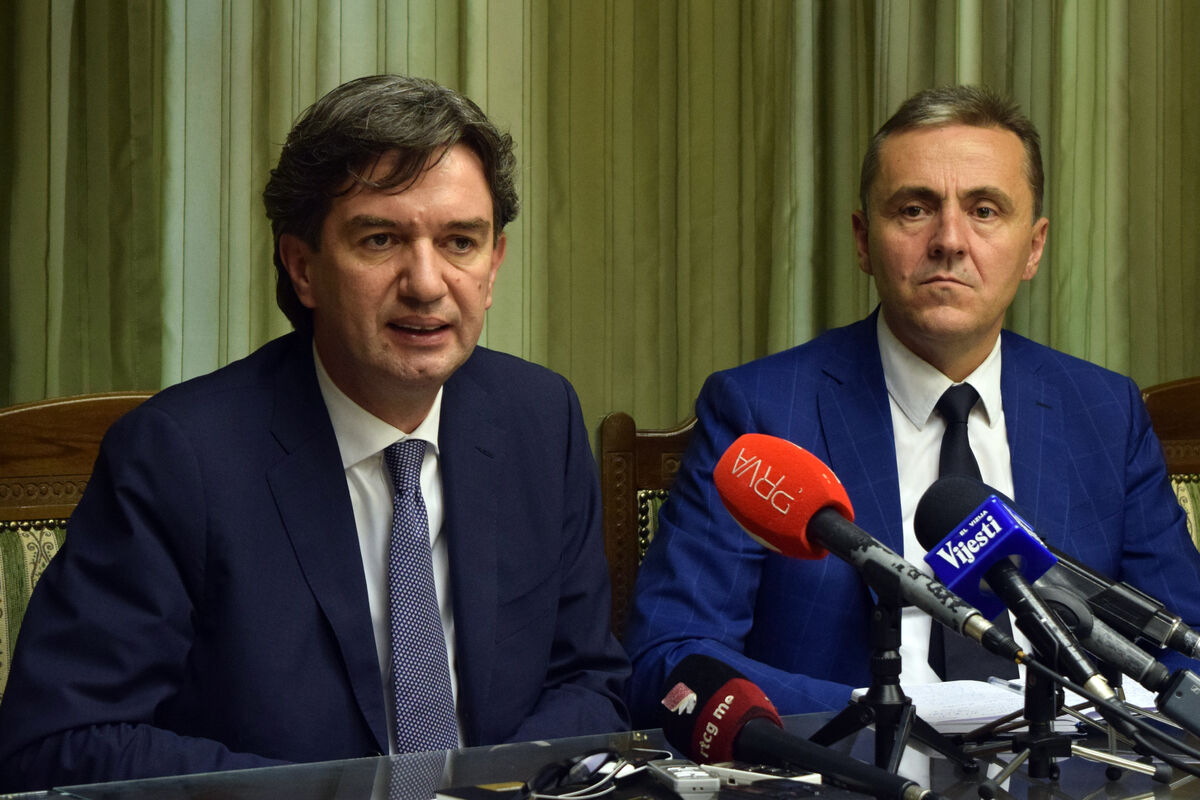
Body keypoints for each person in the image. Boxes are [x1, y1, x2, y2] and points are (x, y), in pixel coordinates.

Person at [0, 74, 629, 791]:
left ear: (492, 268)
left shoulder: (538, 420)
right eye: (381, 239)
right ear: (302, 267)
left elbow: (589, 682)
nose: (427, 283)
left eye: (460, 242)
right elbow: (59, 742)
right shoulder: (181, 457)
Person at [623, 85, 1200, 725]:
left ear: (1034, 248)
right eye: (915, 209)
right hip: (853, 762)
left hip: (1066, 763)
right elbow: (672, 657)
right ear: (863, 241)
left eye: (984, 210)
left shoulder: (1102, 411)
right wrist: (888, 718)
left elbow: (1188, 646)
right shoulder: (761, 410)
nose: (950, 240)